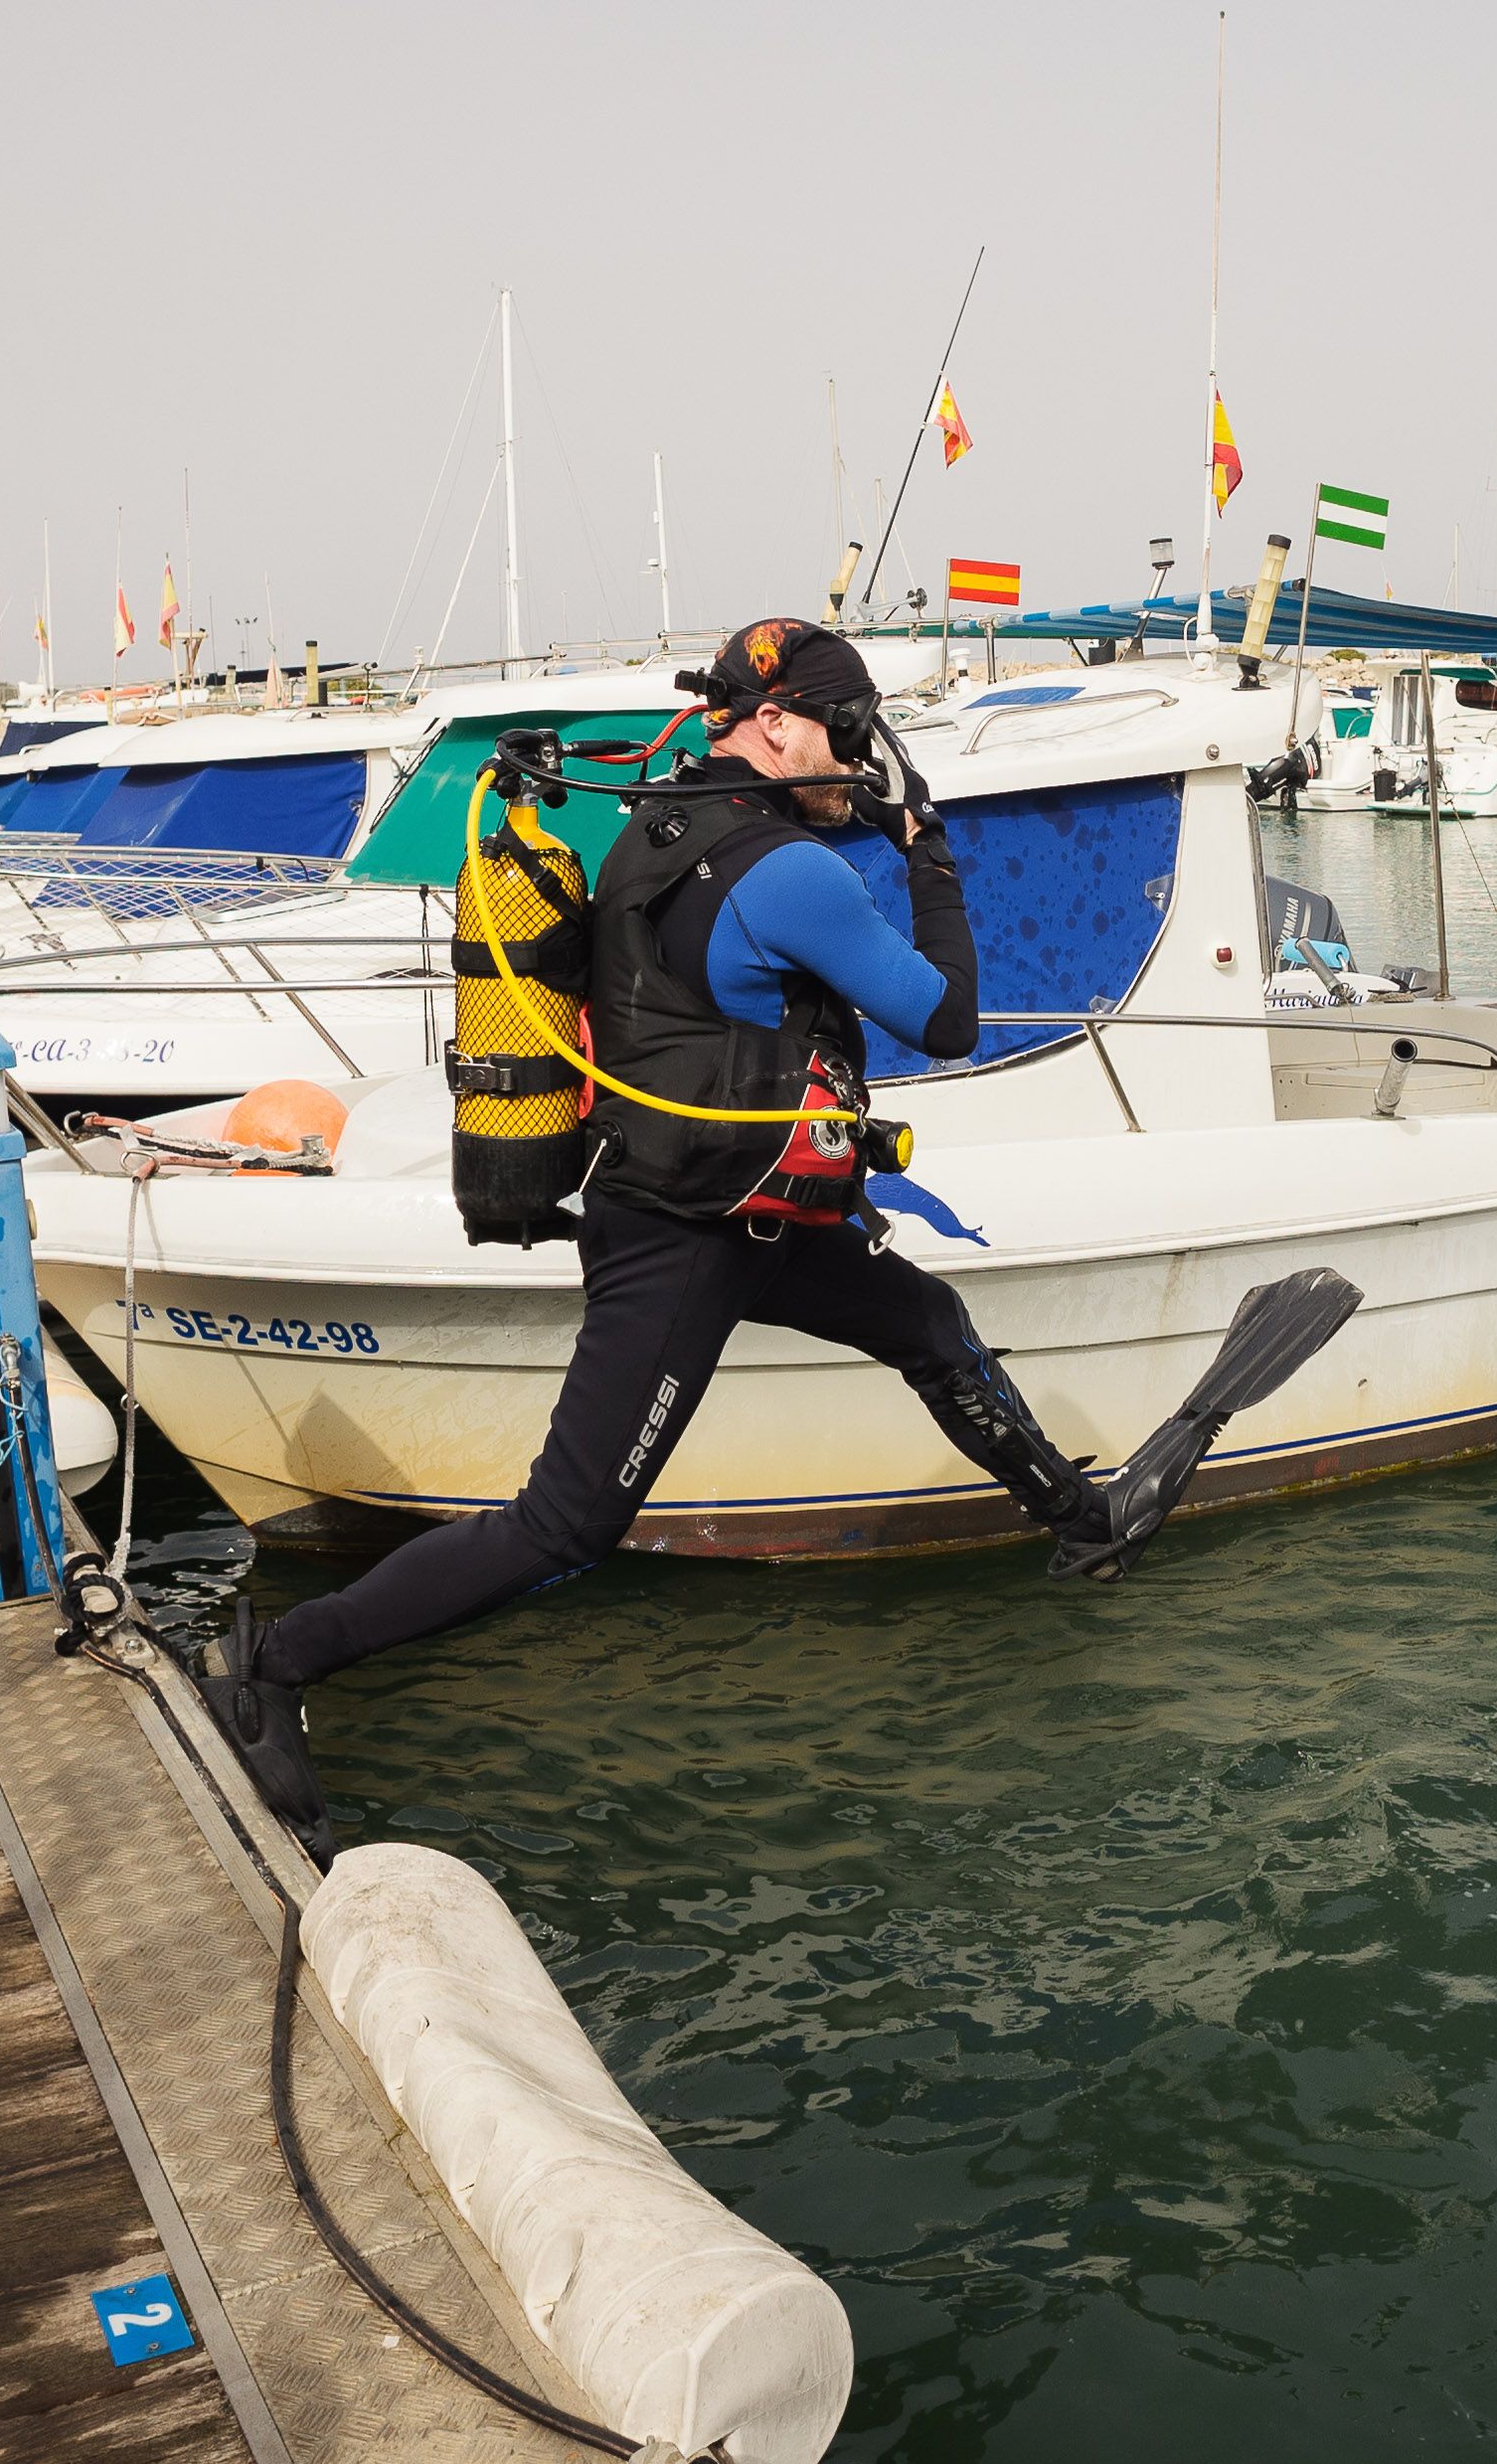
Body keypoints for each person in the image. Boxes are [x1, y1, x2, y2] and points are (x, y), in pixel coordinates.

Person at [198, 619, 1353, 1855]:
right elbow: (946, 1017)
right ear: (774, 722)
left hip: (749, 1205)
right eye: (848, 733)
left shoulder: (656, 832)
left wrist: (862, 818)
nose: (860, 760)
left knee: (926, 1322)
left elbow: (744, 934)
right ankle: (272, 1660)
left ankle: (1080, 1524)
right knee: (565, 1525)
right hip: (684, 1234)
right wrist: (934, 861)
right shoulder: (798, 876)